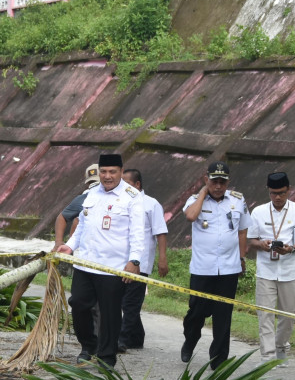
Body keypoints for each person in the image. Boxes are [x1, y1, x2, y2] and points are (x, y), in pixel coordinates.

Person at [56, 153, 146, 367]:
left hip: (113, 267)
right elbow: (83, 227)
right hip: (86, 263)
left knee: (110, 314)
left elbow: (138, 233)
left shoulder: (132, 197)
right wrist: (70, 245)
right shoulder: (91, 194)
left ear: (121, 172)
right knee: (78, 304)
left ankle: (106, 357)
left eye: (112, 172)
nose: (107, 176)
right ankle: (88, 346)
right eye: (103, 172)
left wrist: (134, 260)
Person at [181, 161, 250, 368]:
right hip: (203, 268)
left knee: (223, 316)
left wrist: (241, 257)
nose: (218, 186)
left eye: (222, 182)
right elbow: (191, 216)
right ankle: (190, 341)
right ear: (206, 180)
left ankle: (218, 359)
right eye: (214, 181)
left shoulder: (237, 201)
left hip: (228, 268)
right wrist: (203, 193)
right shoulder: (195, 200)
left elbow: (243, 230)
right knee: (196, 312)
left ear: (228, 182)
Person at [248, 172, 295, 363]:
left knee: (289, 313)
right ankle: (267, 356)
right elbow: (251, 239)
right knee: (265, 313)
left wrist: (291, 249)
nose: (278, 197)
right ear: (268, 191)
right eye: (273, 193)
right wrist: (261, 244)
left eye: (282, 193)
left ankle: (280, 345)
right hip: (266, 270)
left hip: (290, 270)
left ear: (289, 190)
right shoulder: (258, 211)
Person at [118, 168, 169, 352]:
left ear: (137, 184)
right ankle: (137, 338)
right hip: (122, 262)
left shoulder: (151, 204)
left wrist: (162, 259)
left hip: (141, 263)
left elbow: (160, 233)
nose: (123, 186)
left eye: (127, 182)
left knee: (130, 303)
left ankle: (121, 341)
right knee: (123, 301)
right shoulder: (122, 202)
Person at [54, 163, 100, 248]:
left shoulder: (122, 198)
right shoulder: (84, 198)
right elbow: (62, 217)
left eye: (97, 183)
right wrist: (58, 242)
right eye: (91, 183)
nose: (94, 186)